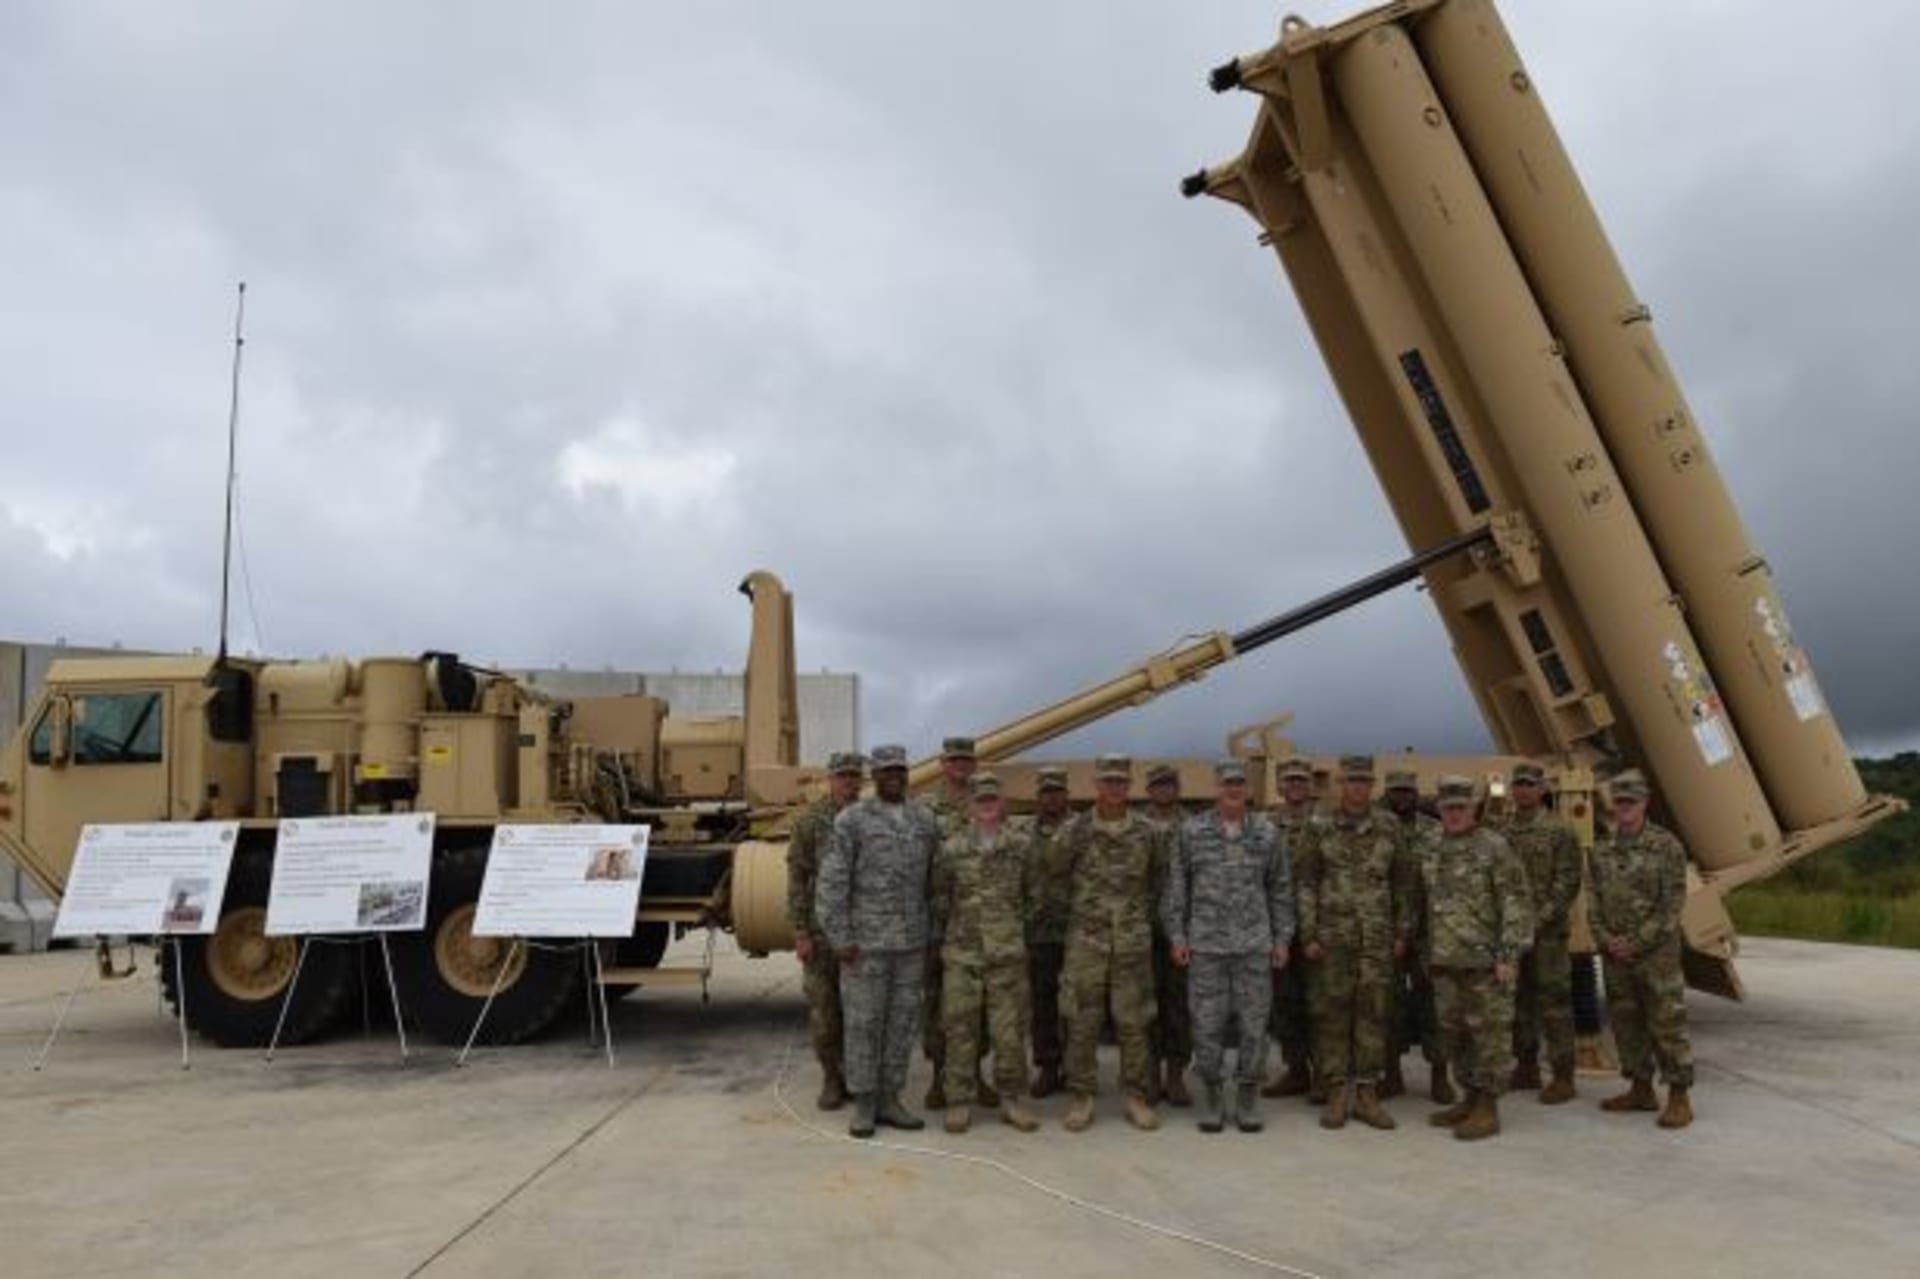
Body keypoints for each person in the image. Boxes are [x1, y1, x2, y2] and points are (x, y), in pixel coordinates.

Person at [816, 744, 940, 1139]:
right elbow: (832, 882)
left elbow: (937, 881)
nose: (894, 776)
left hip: (910, 944)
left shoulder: (924, 820)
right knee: (863, 1024)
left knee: (902, 1024)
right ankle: (865, 1103)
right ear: (875, 776)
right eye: (886, 770)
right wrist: (839, 937)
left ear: (907, 774)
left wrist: (933, 932)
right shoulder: (852, 820)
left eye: (899, 770)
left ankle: (891, 1098)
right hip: (864, 945)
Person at [1164, 759, 1293, 1133]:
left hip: (1254, 945)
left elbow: (1280, 888)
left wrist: (1282, 939)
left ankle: (1248, 1095)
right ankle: (1214, 1094)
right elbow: (1177, 888)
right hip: (1206, 946)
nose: (1233, 789)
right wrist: (1177, 935)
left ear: (1248, 790)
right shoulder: (1191, 831)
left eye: (1239, 784)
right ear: (1216, 788)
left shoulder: (1267, 833)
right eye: (1226, 784)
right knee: (1206, 1024)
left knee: (1254, 1024)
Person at [1297, 754, 1409, 1131]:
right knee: (1334, 1014)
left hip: (1376, 938)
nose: (1357, 788)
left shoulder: (1389, 826)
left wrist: (1401, 932)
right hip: (1332, 938)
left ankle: (1366, 1092)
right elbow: (1307, 882)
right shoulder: (1318, 826)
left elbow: (1404, 883)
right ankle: (1335, 1091)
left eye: (1364, 782)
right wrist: (1308, 933)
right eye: (1351, 781)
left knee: (1372, 1013)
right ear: (1341, 785)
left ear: (1371, 786)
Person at [1420, 776, 1532, 1142]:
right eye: (1447, 807)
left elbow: (1515, 903)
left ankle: (1489, 1107)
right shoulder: (1432, 845)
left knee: (1491, 1037)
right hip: (1445, 962)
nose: (1453, 814)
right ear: (1439, 809)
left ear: (1473, 809)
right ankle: (1468, 1097)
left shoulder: (1494, 847)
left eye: (1460, 808)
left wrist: (1509, 954)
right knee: (1457, 1035)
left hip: (1485, 964)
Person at [930, 772, 1041, 1133]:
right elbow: (941, 898)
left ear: (1003, 803)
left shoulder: (1020, 847)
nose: (988, 805)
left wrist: (1009, 931)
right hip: (963, 955)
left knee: (1009, 1032)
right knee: (960, 1029)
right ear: (970, 806)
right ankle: (959, 1101)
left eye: (993, 799)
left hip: (1007, 955)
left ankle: (1012, 1100)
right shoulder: (952, 849)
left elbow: (1033, 898)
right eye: (981, 800)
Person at [1061, 753, 1163, 1132]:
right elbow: (1057, 879)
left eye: (1121, 781)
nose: (1114, 787)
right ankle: (1082, 1096)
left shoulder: (1147, 832)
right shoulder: (1075, 830)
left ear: (1129, 785)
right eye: (1108, 781)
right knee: (1082, 1022)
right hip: (1086, 943)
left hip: (1131, 944)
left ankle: (1135, 1096)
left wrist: (1137, 922)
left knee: (1134, 1023)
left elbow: (1158, 882)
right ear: (1096, 784)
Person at [1588, 769, 1694, 1129]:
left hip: (1656, 956)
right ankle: (1640, 1088)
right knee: (1626, 1023)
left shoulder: (1666, 847)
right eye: (1619, 802)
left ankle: (1679, 1096)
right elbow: (1593, 901)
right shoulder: (1602, 850)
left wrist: (1635, 942)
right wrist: (1606, 939)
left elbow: (1671, 907)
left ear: (1645, 804)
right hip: (1616, 955)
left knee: (1666, 1023)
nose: (1624, 808)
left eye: (1631, 801)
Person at [1499, 761, 1584, 1104]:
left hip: (1548, 935)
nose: (1523, 790)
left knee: (1555, 1004)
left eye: (1529, 784)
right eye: (1518, 784)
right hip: (1512, 935)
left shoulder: (1560, 831)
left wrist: (1538, 919)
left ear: (1542, 790)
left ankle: (1563, 1076)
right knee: (1518, 1002)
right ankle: (1526, 1066)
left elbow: (1568, 882)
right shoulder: (1503, 833)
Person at [919, 736, 996, 1111]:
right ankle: (939, 1077)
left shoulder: (986, 805)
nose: (962, 766)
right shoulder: (925, 809)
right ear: (943, 763)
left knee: (974, 1006)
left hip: (976, 925)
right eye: (955, 760)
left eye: (968, 760)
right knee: (936, 1003)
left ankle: (973, 1075)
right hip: (936, 923)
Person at [786, 750, 865, 1109]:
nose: (849, 781)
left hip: (862, 932)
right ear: (830, 778)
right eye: (843, 775)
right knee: (824, 1014)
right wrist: (800, 931)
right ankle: (832, 1079)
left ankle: (859, 1078)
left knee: (860, 1014)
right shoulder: (810, 822)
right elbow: (798, 878)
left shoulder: (871, 818)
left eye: (854, 775)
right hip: (820, 934)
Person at [1380, 768, 1453, 1105]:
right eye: (1395, 791)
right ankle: (1391, 1075)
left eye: (1407, 791)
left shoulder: (1437, 832)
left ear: (1416, 793)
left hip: (1429, 933)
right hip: (1387, 930)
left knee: (1434, 1004)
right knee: (1388, 1003)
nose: (1402, 797)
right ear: (1387, 793)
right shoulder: (1377, 830)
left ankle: (1439, 1075)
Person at [1262, 756, 1321, 1102]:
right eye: (1290, 781)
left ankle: (1324, 1074)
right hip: (1278, 928)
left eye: (1302, 780)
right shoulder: (1267, 825)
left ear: (1311, 786)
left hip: (1319, 929)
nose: (1296, 786)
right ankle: (1296, 1070)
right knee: (1285, 1002)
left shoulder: (1327, 822)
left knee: (1321, 1001)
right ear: (1280, 787)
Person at [1022, 765, 1077, 1098]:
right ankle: (1047, 1066)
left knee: (1076, 1005)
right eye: (1046, 792)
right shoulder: (1024, 832)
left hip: (1076, 930)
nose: (1052, 797)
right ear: (1038, 796)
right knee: (1042, 1004)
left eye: (1057, 791)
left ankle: (1075, 1066)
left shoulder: (1081, 828)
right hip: (1038, 932)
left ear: (1066, 795)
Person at [1143, 762, 1194, 1107]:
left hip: (1182, 930)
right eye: (1158, 785)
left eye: (1169, 784)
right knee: (1145, 1003)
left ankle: (1175, 1074)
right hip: (1142, 928)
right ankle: (1149, 1075)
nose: (1164, 790)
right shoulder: (1135, 825)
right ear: (1149, 790)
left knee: (1179, 1005)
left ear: (1178, 788)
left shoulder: (1194, 826)